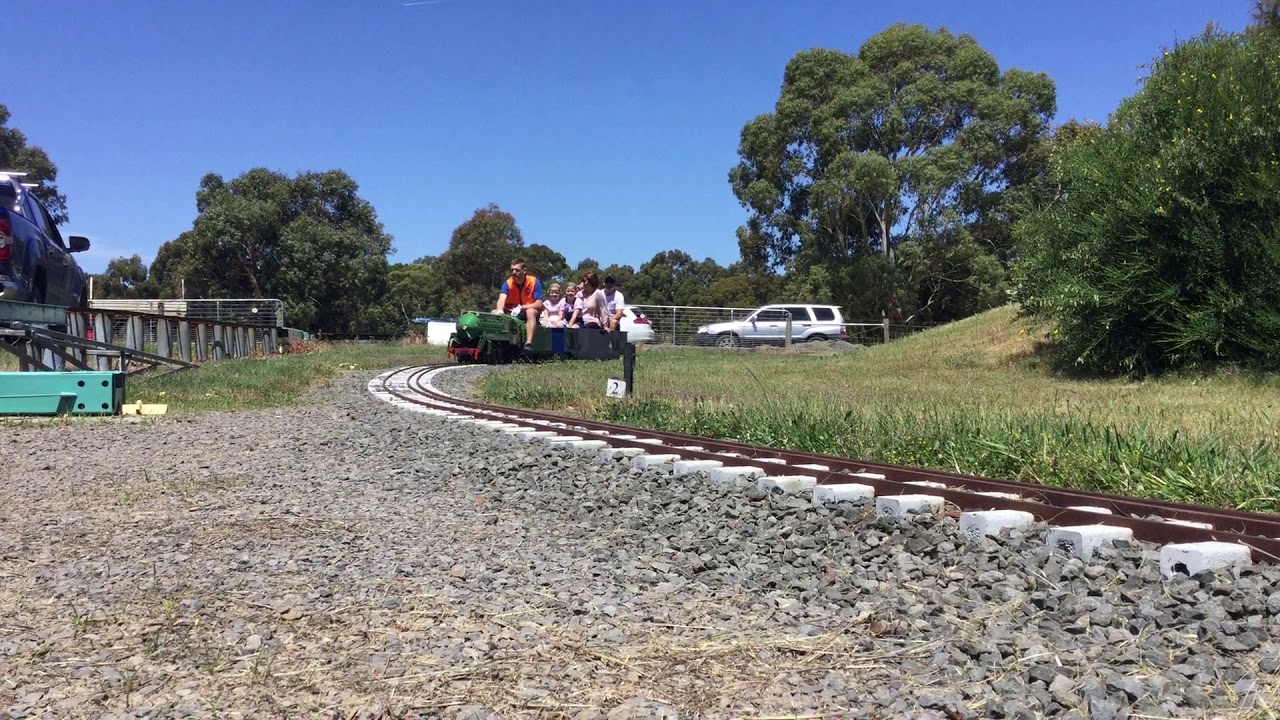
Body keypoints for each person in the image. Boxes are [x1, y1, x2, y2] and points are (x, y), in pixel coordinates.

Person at [494, 259, 543, 349]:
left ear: (524, 271)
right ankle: (500, 343)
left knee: (530, 312)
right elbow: (501, 299)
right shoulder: (508, 283)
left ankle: (528, 343)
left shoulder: (534, 282)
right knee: (494, 312)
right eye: (512, 270)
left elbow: (539, 304)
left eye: (517, 270)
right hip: (512, 311)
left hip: (528, 311)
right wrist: (500, 309)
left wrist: (522, 307)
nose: (514, 272)